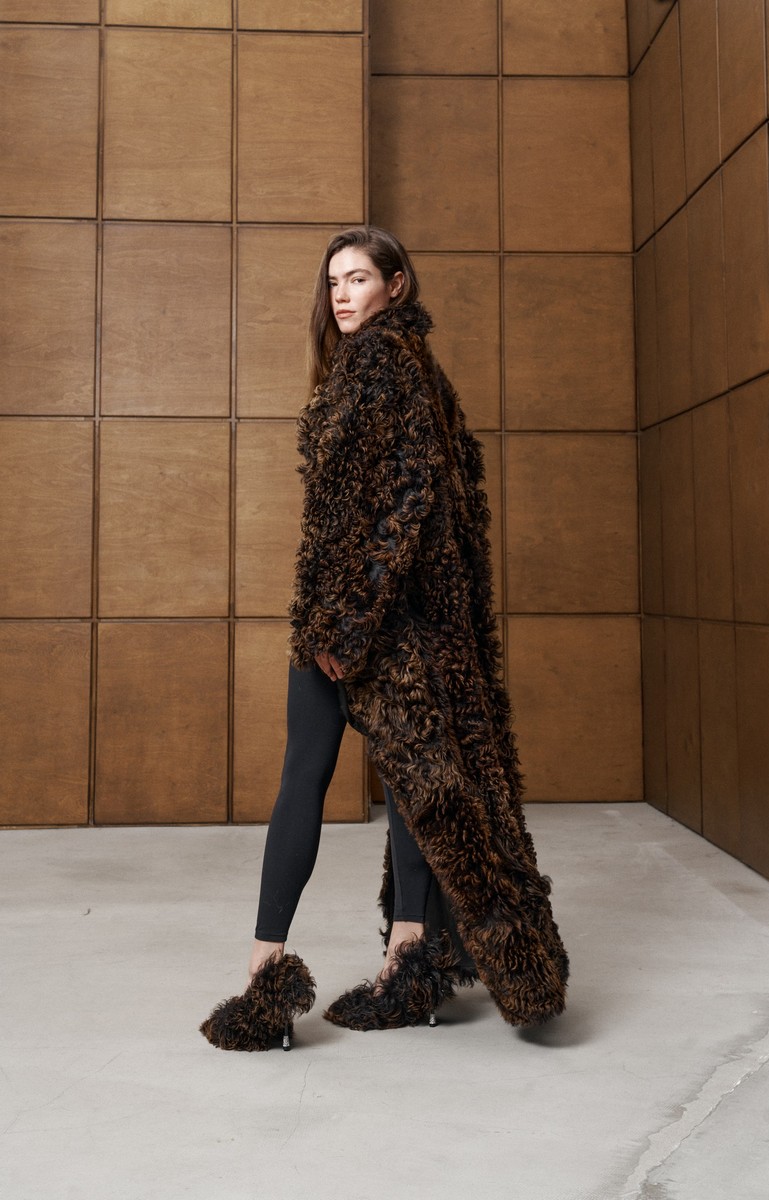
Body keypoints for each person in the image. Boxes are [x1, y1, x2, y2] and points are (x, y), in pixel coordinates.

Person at [201, 227, 568, 1052]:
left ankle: (268, 977)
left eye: (358, 278)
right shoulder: (412, 367)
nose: (341, 295)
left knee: (307, 782)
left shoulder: (377, 363)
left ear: (396, 285)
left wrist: (345, 622)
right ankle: (409, 965)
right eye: (333, 281)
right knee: (408, 787)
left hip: (362, 623)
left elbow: (402, 503)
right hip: (392, 621)